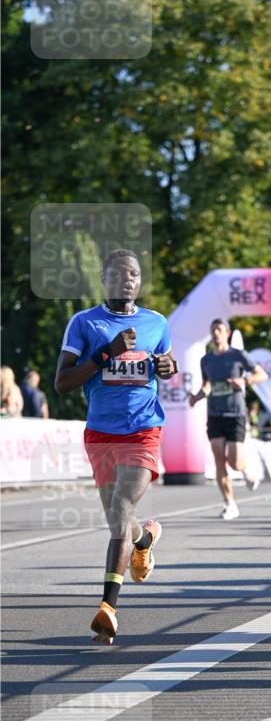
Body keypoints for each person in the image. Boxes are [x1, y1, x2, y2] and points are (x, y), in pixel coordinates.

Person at [54, 249, 178, 644]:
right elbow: (63, 382)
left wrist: (168, 367)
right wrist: (106, 353)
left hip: (143, 430)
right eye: (120, 273)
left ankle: (108, 608)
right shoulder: (84, 323)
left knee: (123, 508)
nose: (128, 279)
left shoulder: (156, 322)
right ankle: (145, 539)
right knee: (119, 523)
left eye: (135, 274)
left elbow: (166, 362)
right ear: (104, 279)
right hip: (101, 433)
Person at [188, 319, 268, 519]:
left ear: (227, 333)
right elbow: (208, 385)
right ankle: (229, 504)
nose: (215, 333)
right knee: (219, 459)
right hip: (215, 413)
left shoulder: (238, 355)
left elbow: (262, 375)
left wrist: (244, 380)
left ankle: (246, 469)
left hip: (236, 413)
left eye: (219, 330)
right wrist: (196, 397)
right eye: (213, 329)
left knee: (234, 461)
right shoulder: (206, 360)